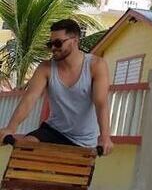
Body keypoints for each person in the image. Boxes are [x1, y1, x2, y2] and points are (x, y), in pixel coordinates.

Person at [0, 19, 113, 155]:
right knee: (25, 147)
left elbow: (101, 103)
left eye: (58, 43)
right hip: (53, 131)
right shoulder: (46, 68)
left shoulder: (96, 65)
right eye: (51, 44)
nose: (53, 48)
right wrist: (11, 128)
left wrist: (105, 137)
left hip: (83, 141)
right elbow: (29, 99)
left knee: (68, 176)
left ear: (75, 40)